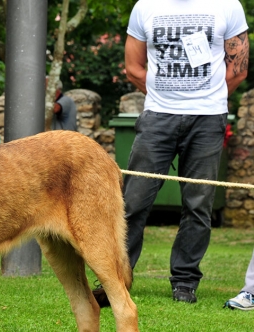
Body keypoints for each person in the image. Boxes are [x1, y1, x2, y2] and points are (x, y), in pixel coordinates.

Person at [94, 0, 249, 305]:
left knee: (198, 205)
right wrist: (166, 98)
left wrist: (208, 97)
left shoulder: (228, 5)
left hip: (207, 119)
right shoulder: (145, 7)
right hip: (157, 118)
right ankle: (115, 278)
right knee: (133, 202)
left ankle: (185, 283)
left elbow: (238, 70)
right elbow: (133, 68)